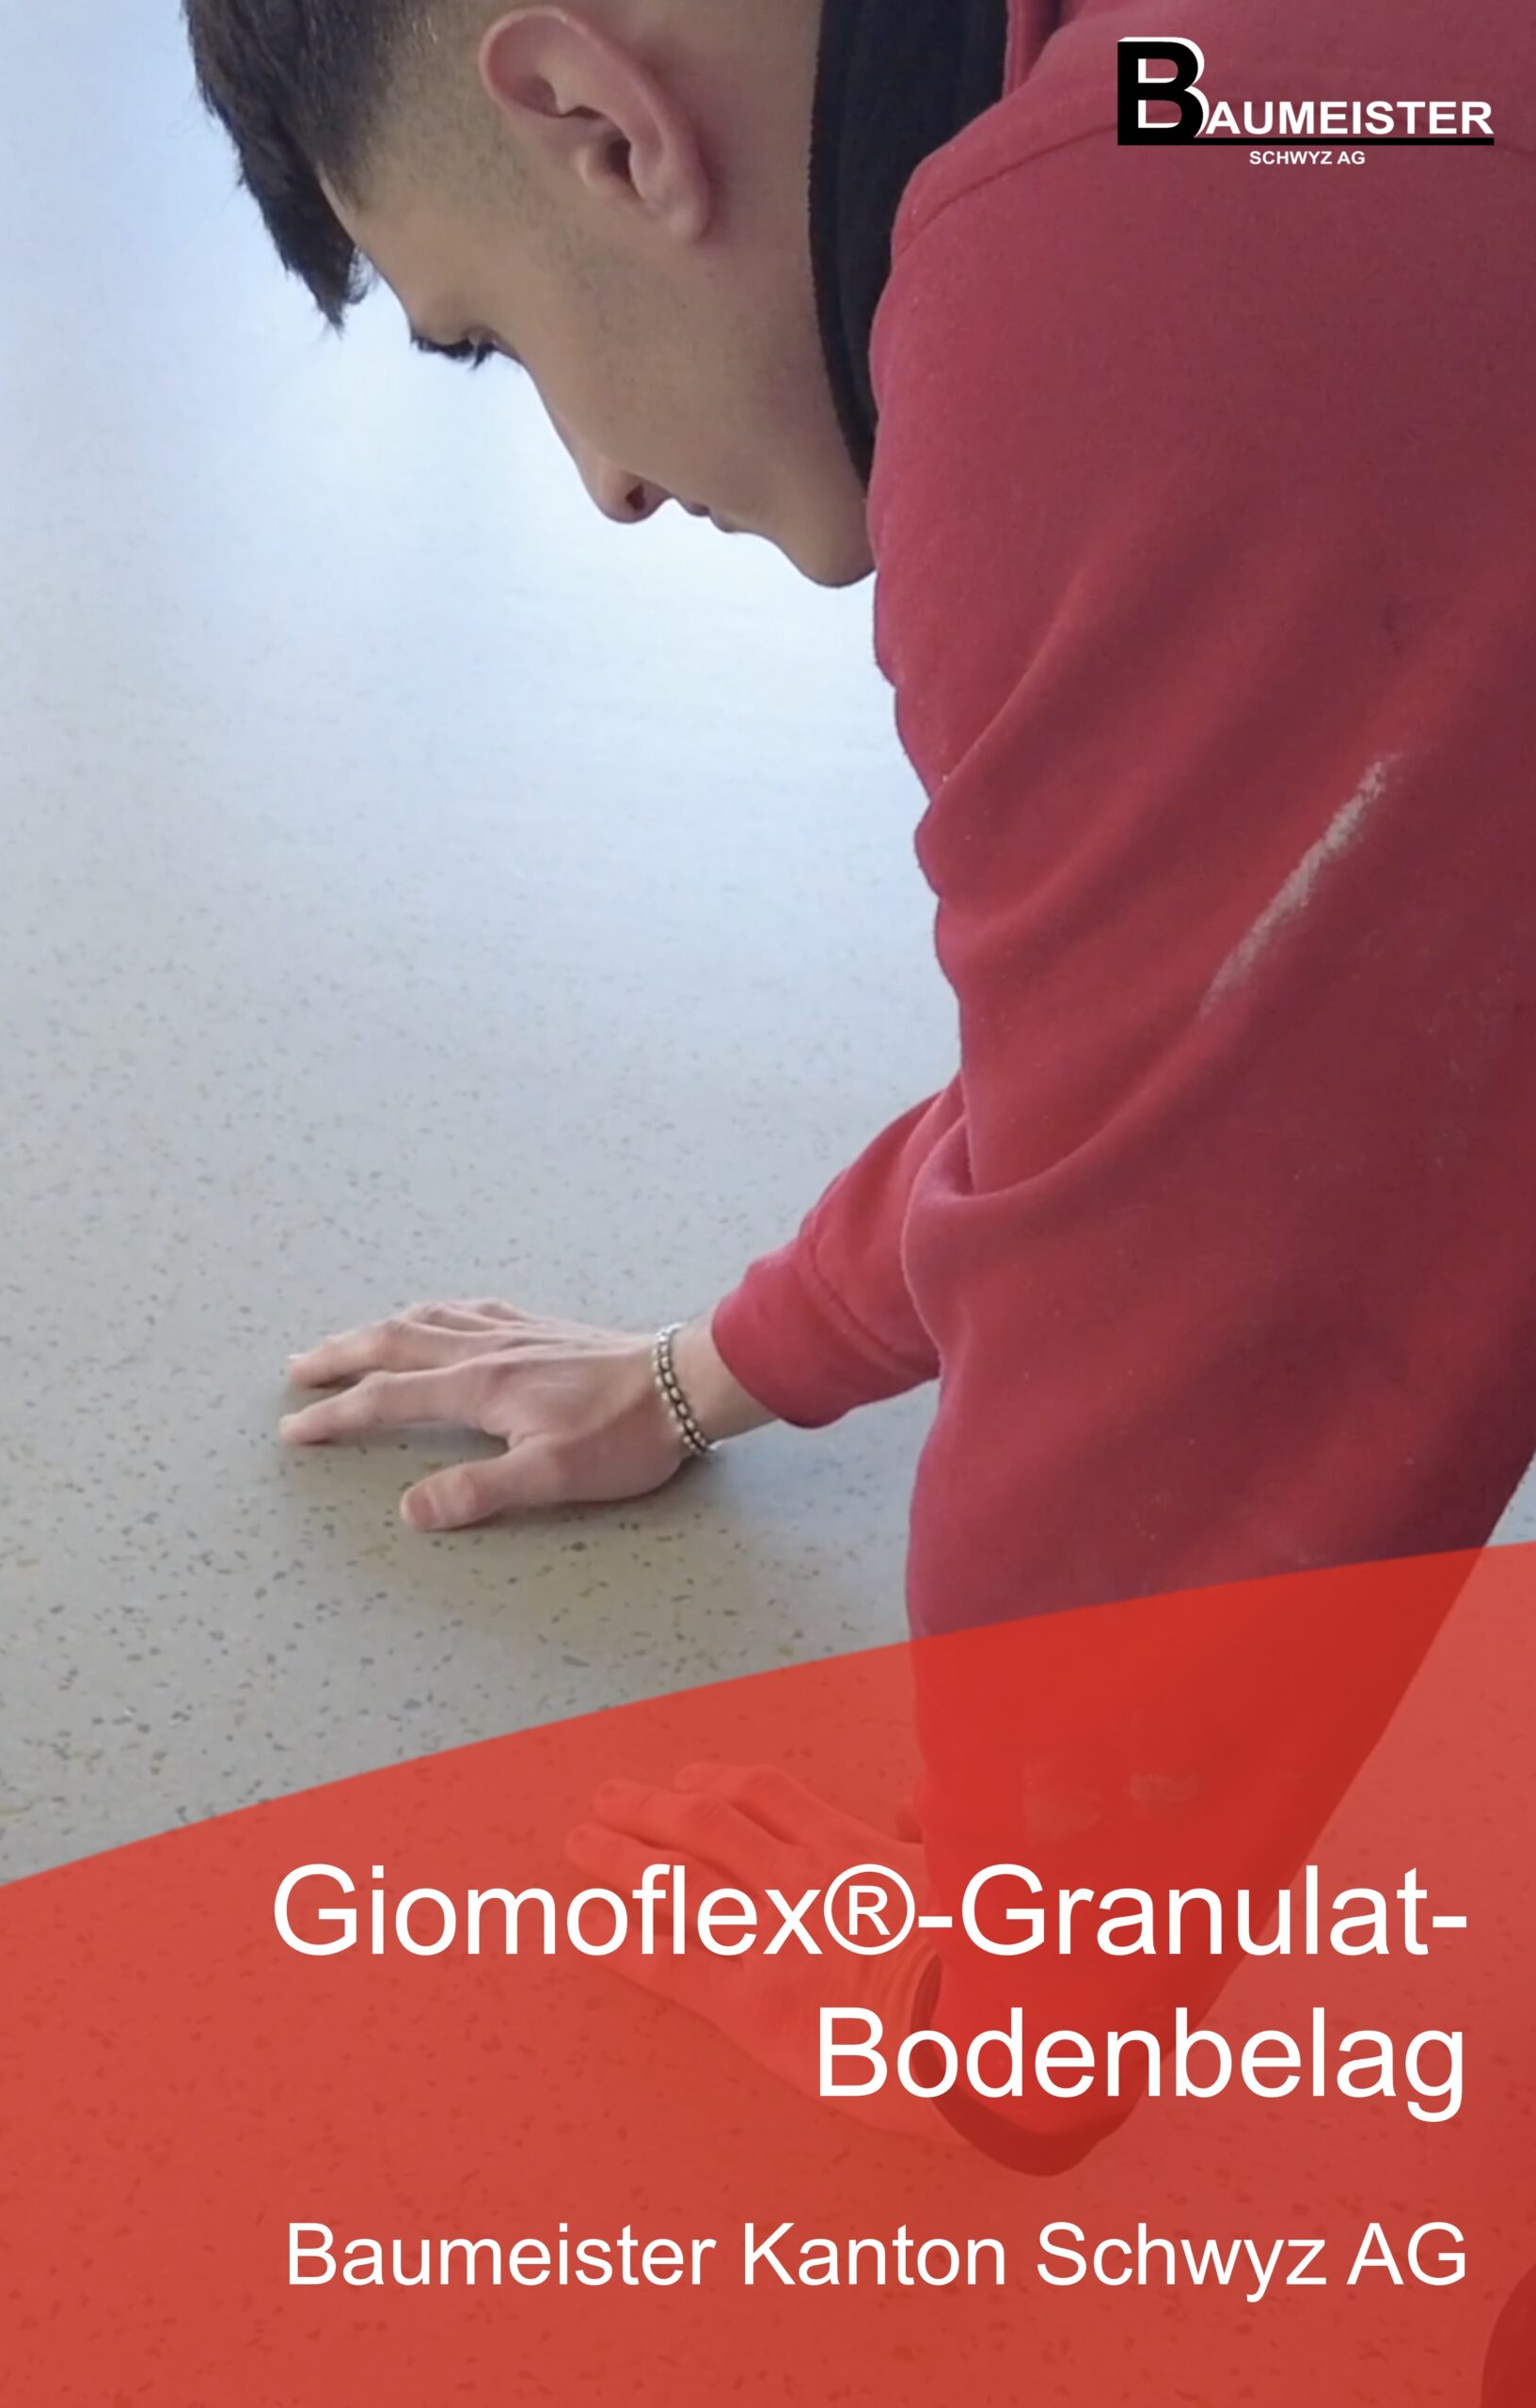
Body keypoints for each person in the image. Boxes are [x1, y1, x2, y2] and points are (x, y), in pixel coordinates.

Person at [186, 0, 1535, 2198]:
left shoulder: (1122, 239)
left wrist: (979, 1990)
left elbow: (1208, 1279)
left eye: (498, 344)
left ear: (596, 123)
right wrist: (714, 1365)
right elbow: (1248, 1034)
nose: (606, 480)